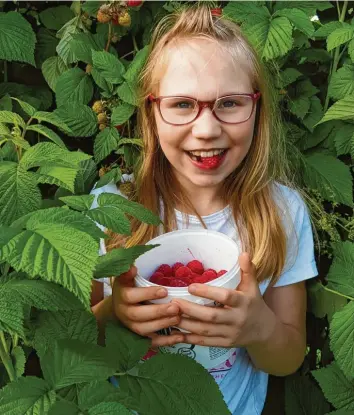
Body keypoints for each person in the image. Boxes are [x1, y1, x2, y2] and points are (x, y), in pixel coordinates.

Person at [90, 5, 318, 415]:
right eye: (181, 105)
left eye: (229, 103)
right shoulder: (112, 210)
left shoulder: (282, 212)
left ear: (258, 108)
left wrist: (260, 329)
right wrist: (113, 312)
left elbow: (287, 357)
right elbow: (76, 342)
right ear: (151, 111)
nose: (208, 129)